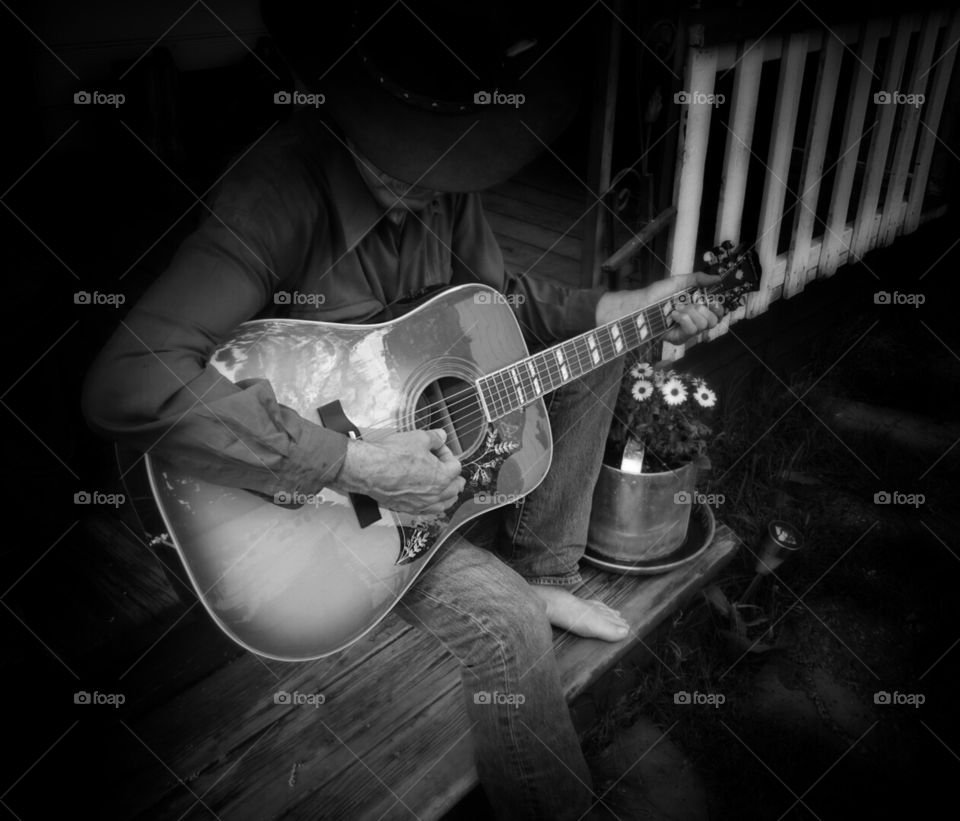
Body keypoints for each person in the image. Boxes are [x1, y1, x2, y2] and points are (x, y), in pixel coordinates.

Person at [82, 3, 722, 818]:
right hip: (325, 517)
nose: (430, 178)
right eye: (407, 150)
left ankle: (545, 568)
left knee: (596, 353)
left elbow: (499, 306)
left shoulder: (448, 176)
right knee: (509, 629)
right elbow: (126, 383)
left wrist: (630, 308)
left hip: (426, 464)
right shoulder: (275, 194)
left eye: (447, 151)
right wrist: (353, 463)